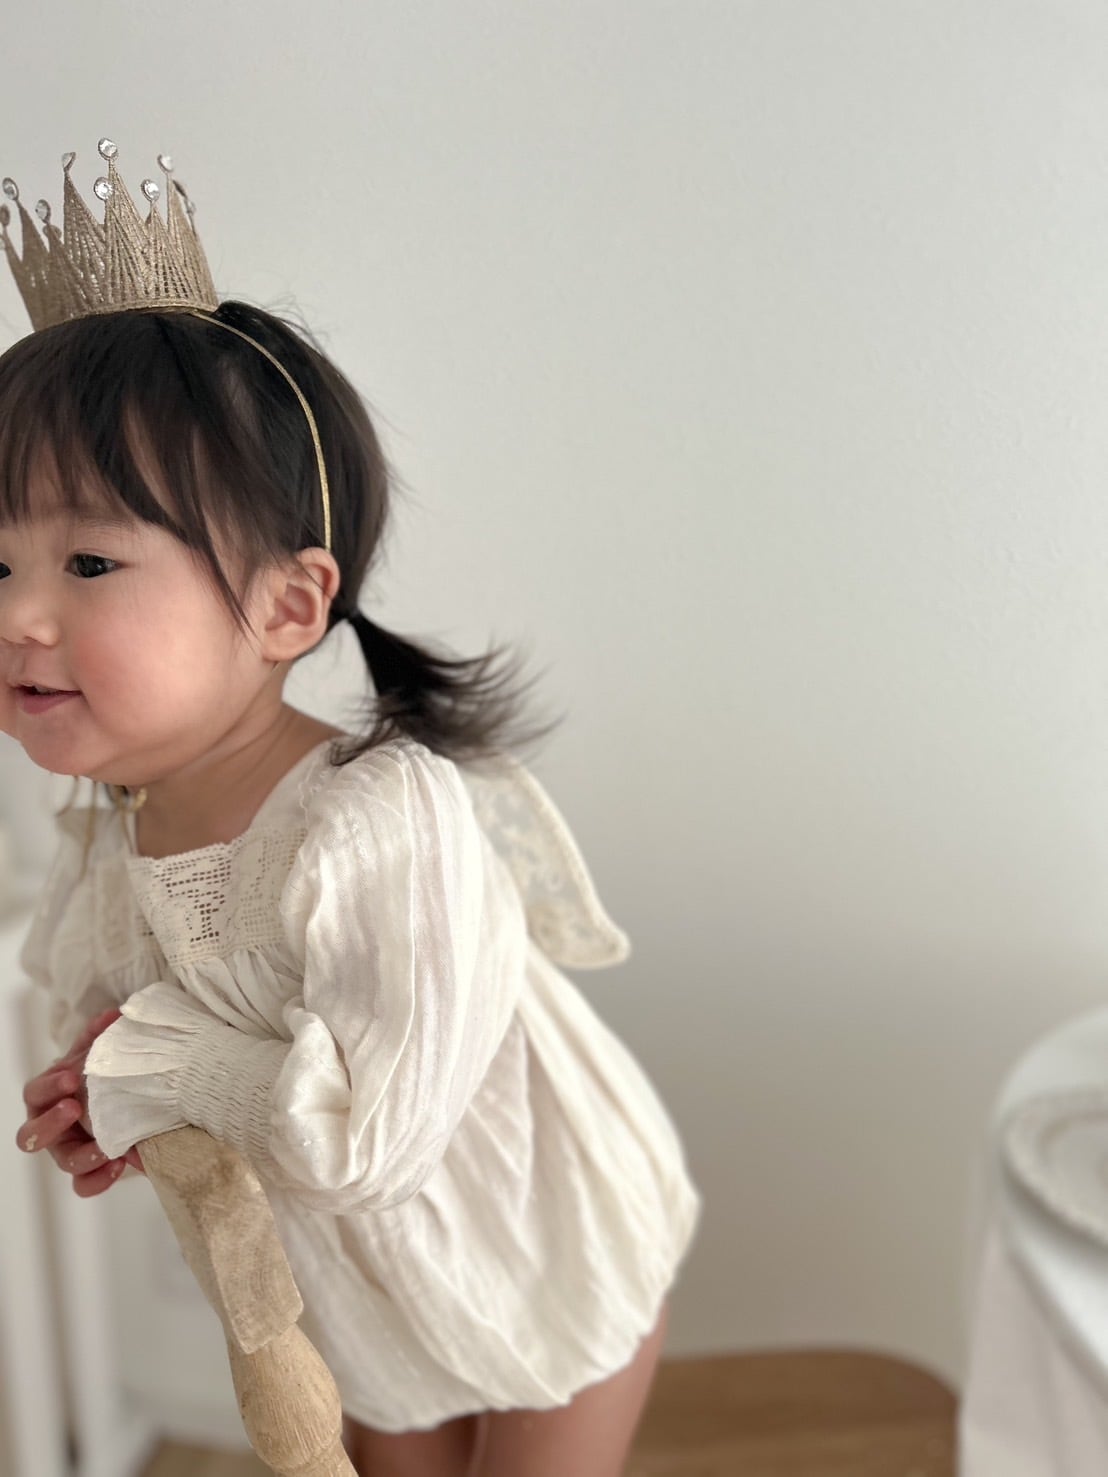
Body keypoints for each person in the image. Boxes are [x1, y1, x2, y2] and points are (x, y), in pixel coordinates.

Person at [5, 141, 699, 1477]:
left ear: (284, 605)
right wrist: (105, 1091)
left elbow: (360, 1135)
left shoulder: (375, 826)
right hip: (371, 1296)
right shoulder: (108, 828)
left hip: (534, 1250)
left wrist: (146, 1069)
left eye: (88, 560)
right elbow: (133, 1028)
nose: (22, 614)